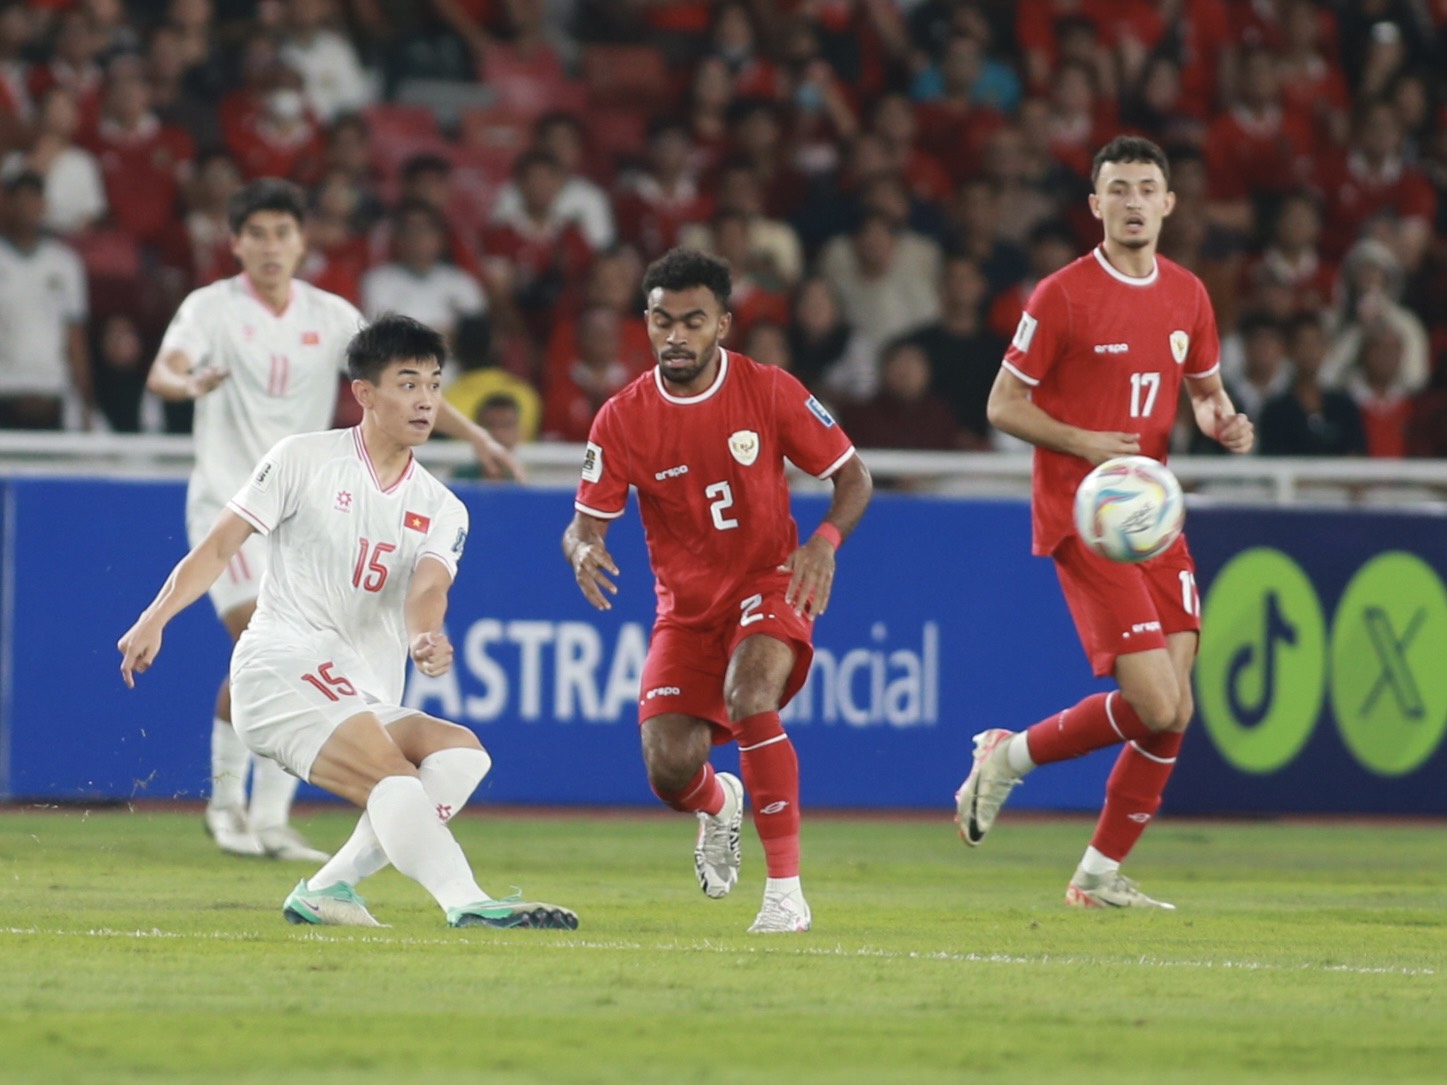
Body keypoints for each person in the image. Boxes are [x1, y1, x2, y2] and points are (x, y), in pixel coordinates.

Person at [119, 314, 577, 931]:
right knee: (394, 780)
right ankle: (466, 900)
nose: (425, 401)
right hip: (280, 670)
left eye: (435, 385)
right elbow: (220, 547)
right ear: (364, 393)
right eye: (408, 383)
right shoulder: (302, 459)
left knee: (463, 755)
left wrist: (423, 634)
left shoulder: (443, 505)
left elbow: (430, 586)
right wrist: (155, 617)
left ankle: (328, 888)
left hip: (356, 689)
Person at [145, 177, 518, 861]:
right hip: (230, 502)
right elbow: (163, 370)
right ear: (235, 243)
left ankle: (266, 816)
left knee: (309, 656)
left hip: (308, 512)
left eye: (282, 233)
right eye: (255, 234)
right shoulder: (211, 308)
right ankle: (232, 807)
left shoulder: (330, 312)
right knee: (265, 641)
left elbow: (413, 377)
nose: (269, 247)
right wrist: (188, 383)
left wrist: (480, 438)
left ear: (301, 241)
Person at [954, 136, 1254, 909]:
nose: (1131, 201)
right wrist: (1085, 441)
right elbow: (1001, 403)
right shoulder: (1060, 295)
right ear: (1094, 205)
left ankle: (1095, 876)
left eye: (1145, 187)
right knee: (1157, 705)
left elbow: (1204, 390)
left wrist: (1222, 419)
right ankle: (1008, 757)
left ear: (1167, 202)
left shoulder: (1187, 292)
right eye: (1115, 189)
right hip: (1084, 516)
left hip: (1152, 514)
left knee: (1173, 708)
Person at [562, 248, 873, 933]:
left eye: (692, 321)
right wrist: (583, 546)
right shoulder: (621, 417)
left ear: (723, 325)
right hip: (684, 609)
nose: (675, 336)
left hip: (769, 578)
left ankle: (785, 893)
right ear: (644, 324)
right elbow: (583, 522)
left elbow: (854, 477)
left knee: (750, 692)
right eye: (661, 321)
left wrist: (822, 543)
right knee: (669, 766)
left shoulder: (769, 390)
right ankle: (715, 802)